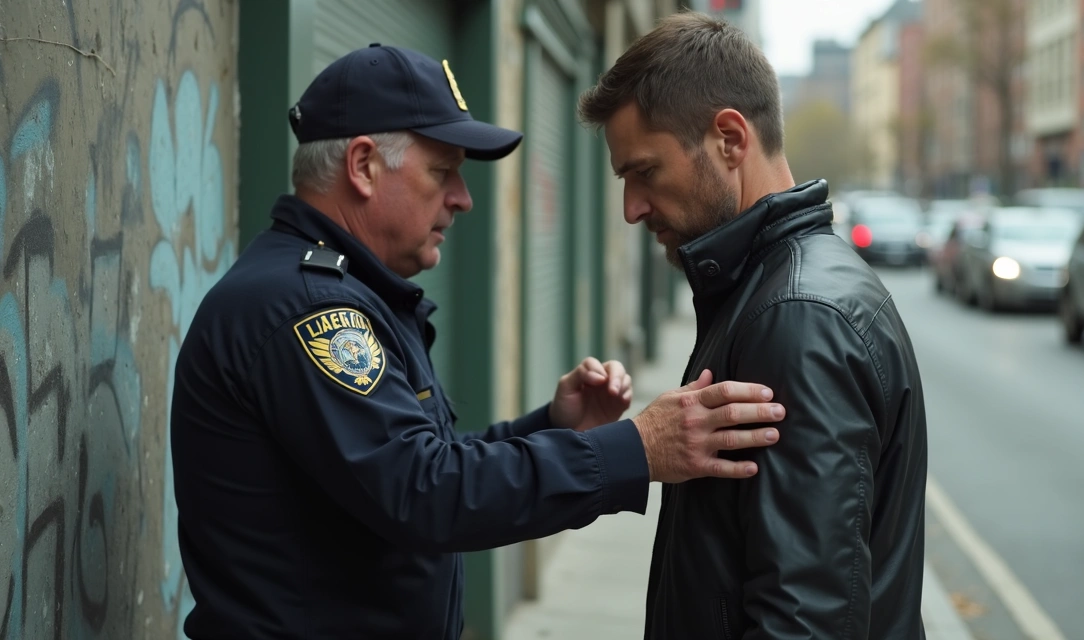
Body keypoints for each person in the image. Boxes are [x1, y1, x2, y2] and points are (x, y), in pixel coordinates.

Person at [169, 43, 787, 639]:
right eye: (442, 173)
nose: (462, 199)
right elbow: (424, 491)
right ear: (362, 166)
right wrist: (635, 449)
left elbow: (412, 461)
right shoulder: (308, 308)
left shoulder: (350, 291)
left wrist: (556, 426)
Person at [578, 13, 929, 639]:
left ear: (730, 140)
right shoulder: (774, 288)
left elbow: (804, 619)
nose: (632, 208)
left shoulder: (796, 318)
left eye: (644, 172)